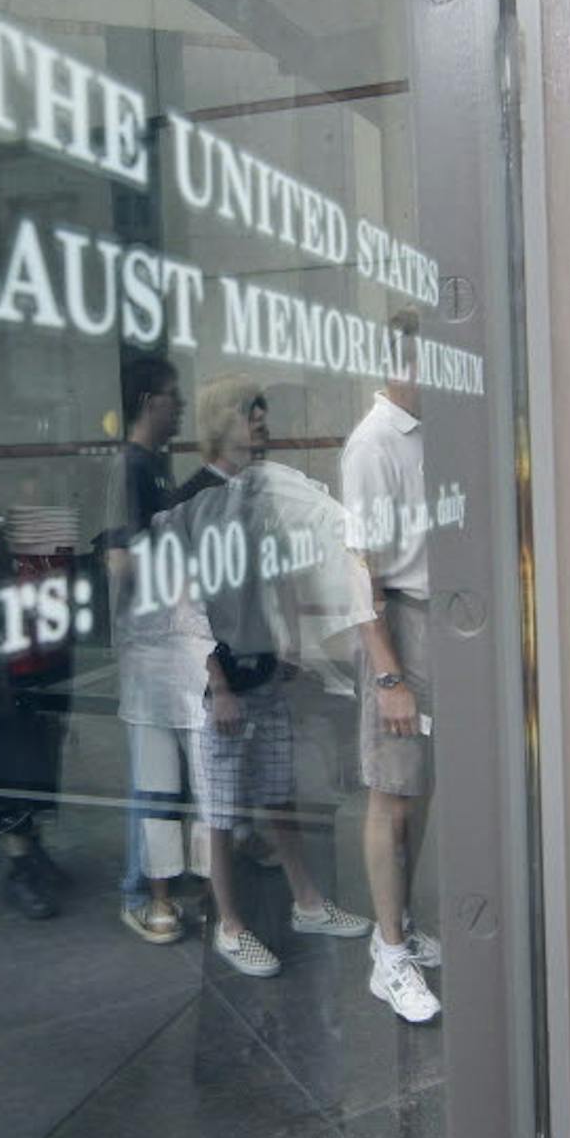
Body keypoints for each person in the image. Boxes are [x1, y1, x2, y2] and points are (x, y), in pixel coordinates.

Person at [170, 376, 370, 976]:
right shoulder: (193, 501)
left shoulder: (255, 494)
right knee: (222, 814)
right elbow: (183, 603)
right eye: (249, 412)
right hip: (220, 687)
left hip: (262, 674)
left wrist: (285, 649)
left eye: (262, 411)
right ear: (221, 422)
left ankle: (307, 901)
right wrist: (220, 685)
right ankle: (229, 925)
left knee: (279, 796)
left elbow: (273, 579)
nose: (261, 421)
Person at [346, 310, 443, 1024]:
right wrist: (389, 676)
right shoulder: (373, 443)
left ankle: (402, 924)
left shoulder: (436, 431)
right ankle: (387, 953)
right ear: (394, 364)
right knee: (392, 792)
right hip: (401, 626)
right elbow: (359, 572)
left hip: (445, 625)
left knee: (422, 788)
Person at [107, 354, 206, 942]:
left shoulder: (157, 467)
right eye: (174, 397)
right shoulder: (130, 468)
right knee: (152, 774)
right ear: (150, 403)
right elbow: (120, 559)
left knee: (167, 773)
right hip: (147, 641)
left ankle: (160, 878)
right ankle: (138, 890)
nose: (182, 408)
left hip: (166, 640)